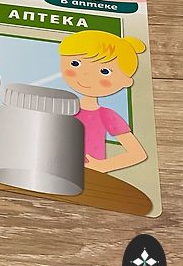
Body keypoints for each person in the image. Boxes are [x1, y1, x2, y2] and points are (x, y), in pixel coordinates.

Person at [59, 30, 147, 172]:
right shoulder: (62, 105)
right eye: (75, 63)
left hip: (86, 175)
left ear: (125, 81)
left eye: (105, 71)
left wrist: (102, 166)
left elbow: (137, 154)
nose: (86, 74)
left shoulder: (105, 115)